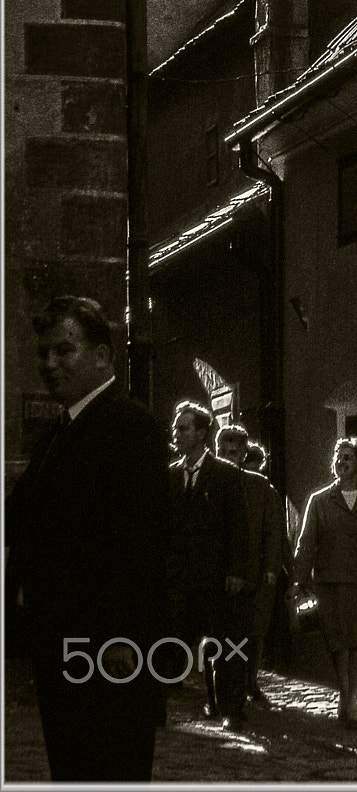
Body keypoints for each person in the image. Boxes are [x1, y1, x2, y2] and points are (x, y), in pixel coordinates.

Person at [5, 296, 171, 782]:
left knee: (108, 766)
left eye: (64, 350)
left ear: (103, 356)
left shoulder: (128, 426)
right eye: (44, 353)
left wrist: (122, 636)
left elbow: (142, 536)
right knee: (74, 765)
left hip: (106, 648)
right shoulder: (62, 429)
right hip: (63, 637)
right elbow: (22, 516)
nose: (50, 364)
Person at [292, 436, 357, 731]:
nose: (341, 462)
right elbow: (306, 543)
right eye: (338, 457)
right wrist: (299, 581)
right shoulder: (321, 501)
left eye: (347, 457)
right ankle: (346, 693)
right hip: (331, 582)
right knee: (339, 643)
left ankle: (351, 702)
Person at [166, 400, 251, 726]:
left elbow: (238, 526)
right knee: (169, 639)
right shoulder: (170, 476)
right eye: (176, 427)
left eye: (183, 428)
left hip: (215, 577)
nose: (176, 433)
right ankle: (160, 704)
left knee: (227, 646)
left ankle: (232, 709)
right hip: (178, 576)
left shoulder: (225, 475)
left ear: (201, 433)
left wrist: (236, 571)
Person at [215, 423, 288, 705]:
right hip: (219, 571)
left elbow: (273, 531)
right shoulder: (209, 480)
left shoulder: (259, 487)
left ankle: (249, 680)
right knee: (222, 633)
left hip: (254, 574)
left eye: (234, 451)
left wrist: (271, 568)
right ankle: (224, 686)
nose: (228, 456)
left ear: (244, 453)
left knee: (253, 632)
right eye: (224, 450)